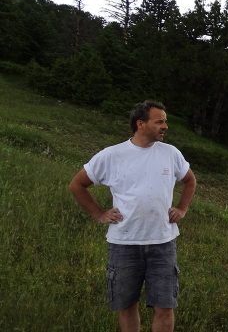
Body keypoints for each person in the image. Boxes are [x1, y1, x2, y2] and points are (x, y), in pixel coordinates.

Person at [69, 100, 196, 332]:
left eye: (165, 121)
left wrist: (182, 208)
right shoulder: (111, 155)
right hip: (124, 244)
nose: (165, 126)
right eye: (159, 121)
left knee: (165, 307)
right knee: (126, 305)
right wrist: (99, 214)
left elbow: (190, 180)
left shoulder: (171, 153)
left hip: (163, 243)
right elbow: (77, 185)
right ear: (141, 124)